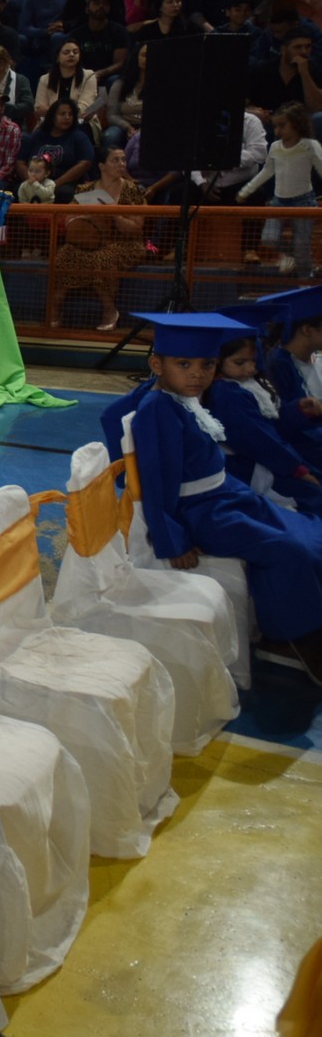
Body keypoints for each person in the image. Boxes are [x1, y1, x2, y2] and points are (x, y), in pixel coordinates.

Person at [130, 313, 322, 682]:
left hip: (227, 494)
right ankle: (285, 638)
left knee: (309, 529)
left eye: (207, 365)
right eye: (183, 364)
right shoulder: (156, 411)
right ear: (157, 364)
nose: (197, 374)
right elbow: (157, 482)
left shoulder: (184, 399)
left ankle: (307, 617)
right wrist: (174, 539)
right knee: (288, 550)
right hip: (201, 511)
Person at [207, 318, 322, 514]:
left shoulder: (249, 383)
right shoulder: (226, 394)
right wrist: (298, 470)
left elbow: (270, 424)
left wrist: (298, 411)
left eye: (253, 360)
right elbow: (261, 440)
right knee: (313, 496)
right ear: (217, 361)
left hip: (275, 457)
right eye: (240, 362)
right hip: (252, 469)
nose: (250, 368)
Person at [49, 146, 149, 329]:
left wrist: (114, 214)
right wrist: (83, 221)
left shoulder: (133, 190)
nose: (121, 164)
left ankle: (110, 309)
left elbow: (136, 227)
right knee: (64, 256)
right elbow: (68, 219)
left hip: (125, 243)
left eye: (123, 160)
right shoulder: (85, 189)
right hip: (88, 241)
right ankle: (55, 306)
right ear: (102, 166)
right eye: (115, 160)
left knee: (102, 258)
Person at [239, 102, 322, 275]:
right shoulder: (275, 147)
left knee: (301, 246)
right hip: (278, 201)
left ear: (297, 124)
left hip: (304, 202)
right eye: (275, 126)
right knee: (269, 238)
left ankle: (305, 283)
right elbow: (267, 171)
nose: (277, 131)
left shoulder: (310, 145)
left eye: (282, 126)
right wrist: (246, 190)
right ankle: (294, 254)